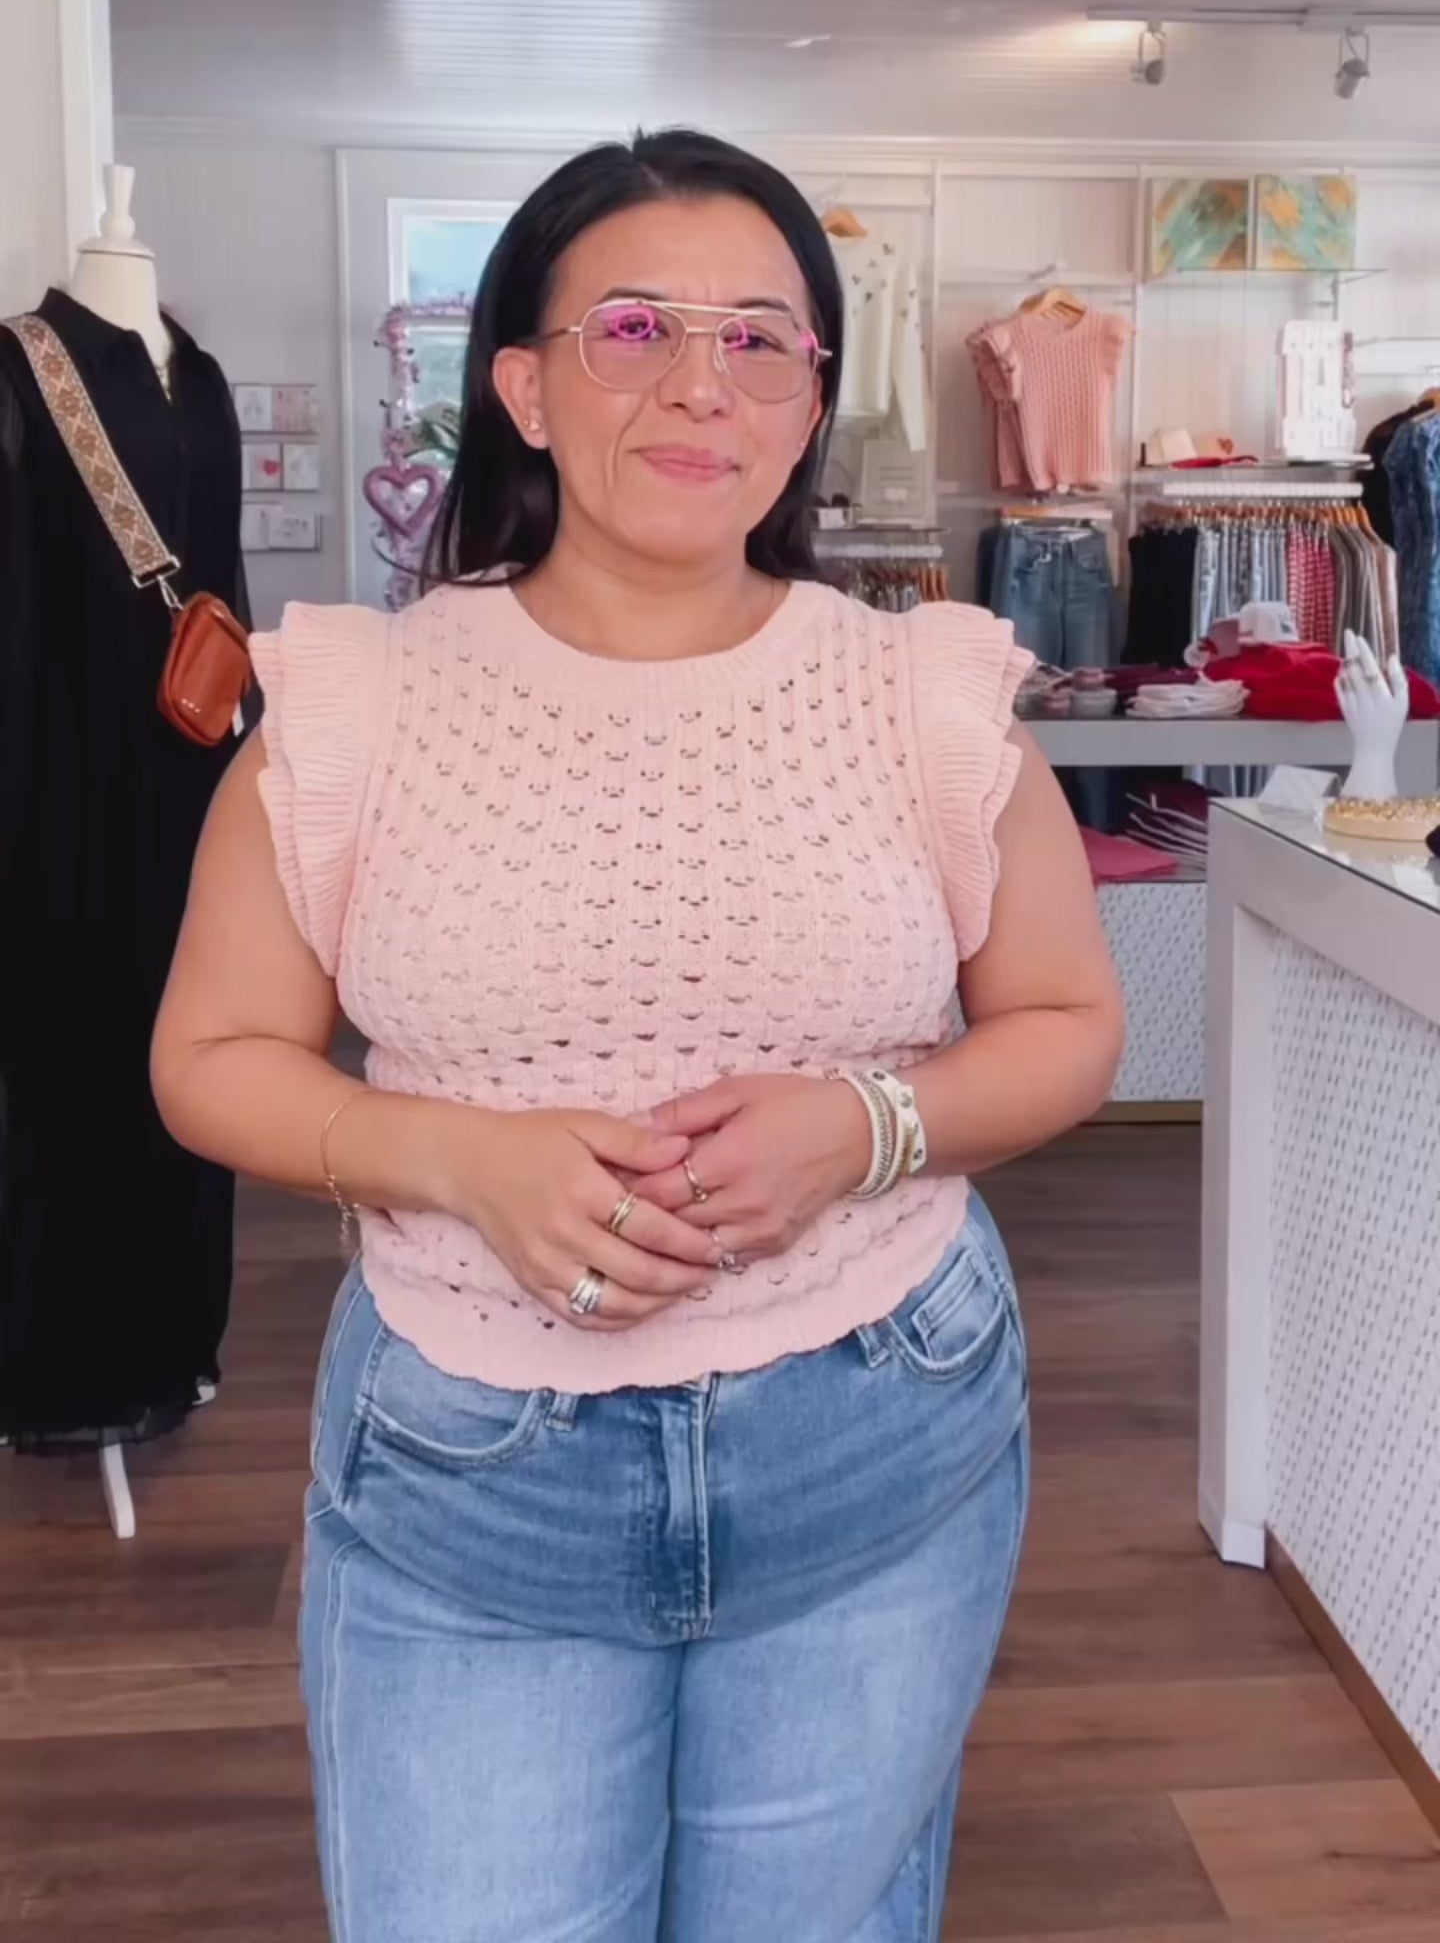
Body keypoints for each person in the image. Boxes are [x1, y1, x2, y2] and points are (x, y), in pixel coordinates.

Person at [153, 129, 1123, 1943]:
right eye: (632, 329)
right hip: (474, 1472)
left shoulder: (923, 693)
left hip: (879, 1424)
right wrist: (458, 1158)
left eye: (760, 338)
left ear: (812, 399)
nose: (701, 383)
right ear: (522, 386)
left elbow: (1069, 1023)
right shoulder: (357, 703)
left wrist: (867, 1126)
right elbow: (211, 1056)